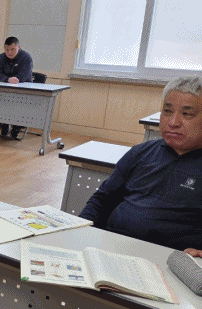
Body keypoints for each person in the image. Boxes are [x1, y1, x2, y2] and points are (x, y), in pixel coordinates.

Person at [79, 76, 202, 253]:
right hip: (111, 247)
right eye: (167, 111)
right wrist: (81, 230)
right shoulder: (141, 153)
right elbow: (103, 199)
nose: (173, 122)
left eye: (187, 114)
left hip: (169, 260)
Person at [0, 36, 33, 139]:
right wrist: (7, 79)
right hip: (5, 90)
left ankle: (16, 126)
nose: (9, 52)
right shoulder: (1, 58)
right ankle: (4, 123)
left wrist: (14, 79)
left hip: (23, 91)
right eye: (7, 50)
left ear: (18, 47)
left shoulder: (26, 58)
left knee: (17, 105)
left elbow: (23, 76)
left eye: (12, 49)